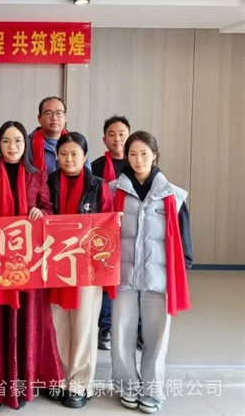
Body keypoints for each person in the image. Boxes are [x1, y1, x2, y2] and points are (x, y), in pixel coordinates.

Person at [0, 121, 63, 410]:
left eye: (18, 141)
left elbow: (49, 209)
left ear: (26, 145)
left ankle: (25, 382)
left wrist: (40, 212)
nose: (12, 146)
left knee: (28, 321)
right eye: (6, 141)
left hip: (27, 266)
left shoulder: (37, 175)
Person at [110, 131, 192, 414]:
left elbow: (184, 241)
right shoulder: (113, 191)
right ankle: (128, 386)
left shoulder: (173, 195)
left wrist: (182, 271)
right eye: (133, 154)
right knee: (121, 335)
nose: (138, 160)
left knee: (156, 338)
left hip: (158, 278)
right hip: (123, 277)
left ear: (155, 155)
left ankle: (152, 391)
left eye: (144, 154)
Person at [47, 132, 114, 409]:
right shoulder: (49, 182)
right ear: (57, 156)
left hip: (88, 269)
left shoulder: (99, 186)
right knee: (59, 323)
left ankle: (80, 383)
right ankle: (61, 377)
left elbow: (109, 228)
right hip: (56, 264)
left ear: (85, 156)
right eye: (63, 154)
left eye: (75, 154)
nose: (69, 159)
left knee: (84, 324)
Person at [90, 116, 131, 351]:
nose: (117, 138)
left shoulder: (136, 163)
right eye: (112, 134)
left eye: (122, 134)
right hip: (105, 231)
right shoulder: (95, 167)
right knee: (107, 276)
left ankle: (134, 327)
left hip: (132, 230)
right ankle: (105, 326)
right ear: (104, 139)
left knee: (130, 279)